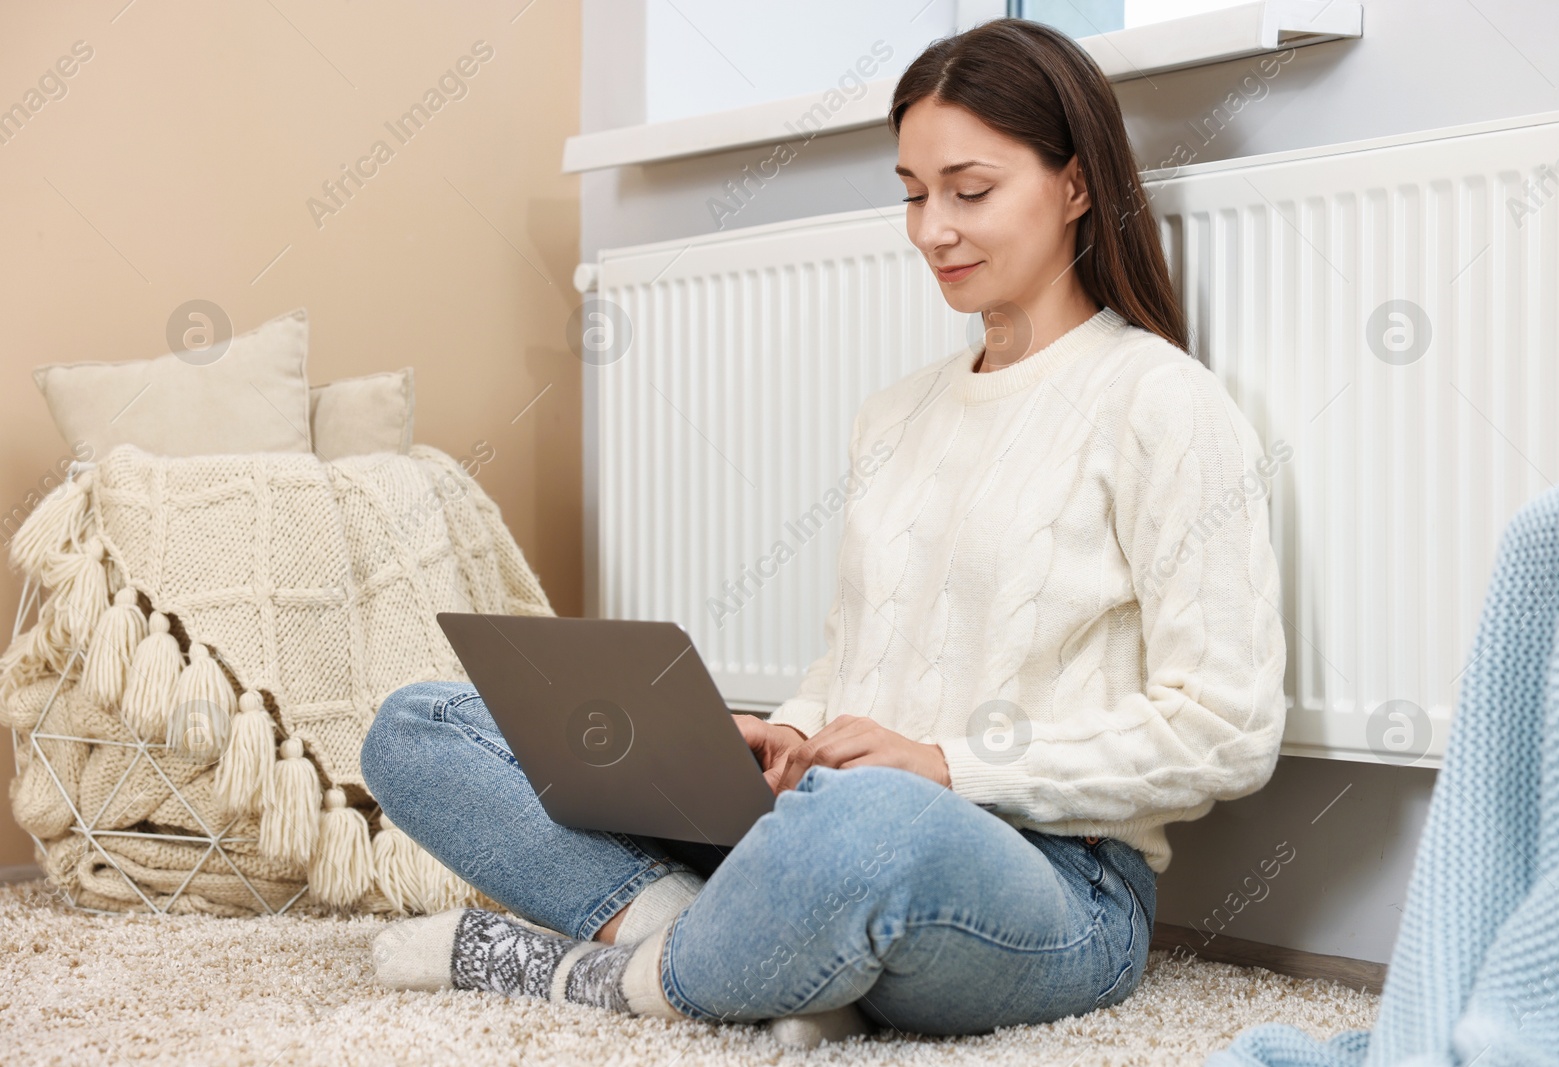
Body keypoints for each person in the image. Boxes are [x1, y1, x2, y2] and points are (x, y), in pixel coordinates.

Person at [359, 16, 1288, 1046]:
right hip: (823, 822)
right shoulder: (891, 416)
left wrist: (945, 766)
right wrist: (792, 731)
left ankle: (610, 975)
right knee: (420, 724)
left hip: (1053, 879)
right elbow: (853, 663)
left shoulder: (1163, 403)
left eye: (969, 191)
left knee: (865, 827)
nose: (931, 229)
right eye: (911, 193)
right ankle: (739, 946)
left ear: (1074, 186)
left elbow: (1226, 731)